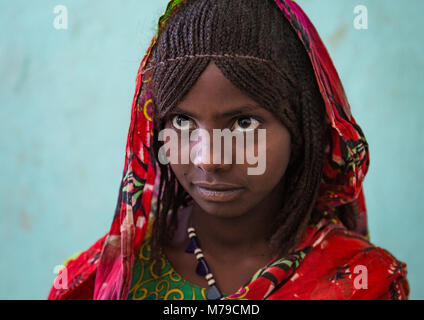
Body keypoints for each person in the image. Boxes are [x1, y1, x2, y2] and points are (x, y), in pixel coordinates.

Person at [48, 0, 409, 300]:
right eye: (183, 122)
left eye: (244, 124)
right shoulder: (104, 281)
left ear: (301, 128)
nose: (209, 158)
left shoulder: (363, 284)